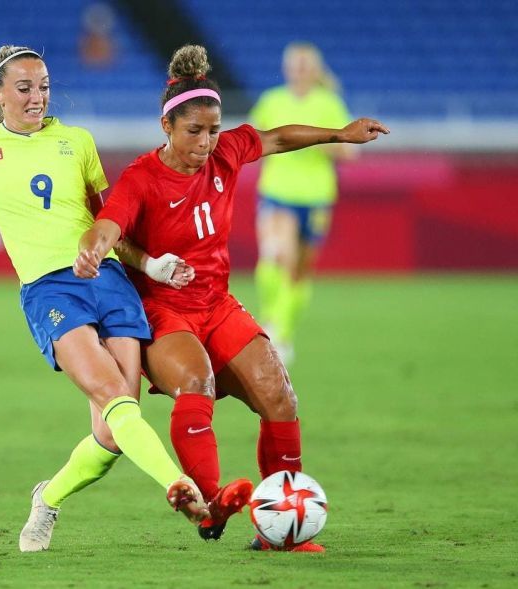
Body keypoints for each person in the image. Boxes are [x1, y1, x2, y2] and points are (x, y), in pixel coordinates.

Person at [0, 45, 241, 554]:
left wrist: (149, 264)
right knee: (113, 398)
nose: (37, 97)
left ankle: (47, 498)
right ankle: (177, 485)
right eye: (25, 87)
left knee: (115, 432)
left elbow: (109, 222)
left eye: (44, 85)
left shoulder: (78, 141)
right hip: (50, 288)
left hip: (109, 281)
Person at [75, 44, 388, 551]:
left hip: (217, 304)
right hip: (162, 310)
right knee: (195, 380)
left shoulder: (227, 151)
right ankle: (211, 502)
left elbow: (277, 136)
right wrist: (93, 249)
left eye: (213, 129)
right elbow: (109, 226)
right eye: (194, 131)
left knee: (279, 395)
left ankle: (281, 531)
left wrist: (339, 133)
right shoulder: (142, 177)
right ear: (167, 128)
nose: (205, 142)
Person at [250, 42, 356, 365]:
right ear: (286, 69)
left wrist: (324, 143)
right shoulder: (271, 101)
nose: (299, 71)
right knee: (276, 255)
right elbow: (251, 140)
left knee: (299, 273)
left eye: (305, 65)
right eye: (294, 65)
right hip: (278, 191)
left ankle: (282, 331)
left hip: (316, 196)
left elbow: (350, 150)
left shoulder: (328, 104)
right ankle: (270, 322)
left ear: (314, 70)